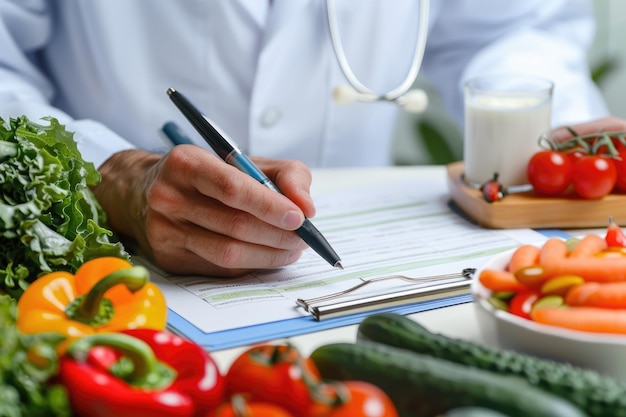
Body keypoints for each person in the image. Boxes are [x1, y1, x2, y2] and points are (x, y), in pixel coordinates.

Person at [0, 1, 616, 276]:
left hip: (366, 244)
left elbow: (509, 24)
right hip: (111, 259)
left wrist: (551, 145)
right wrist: (115, 173)